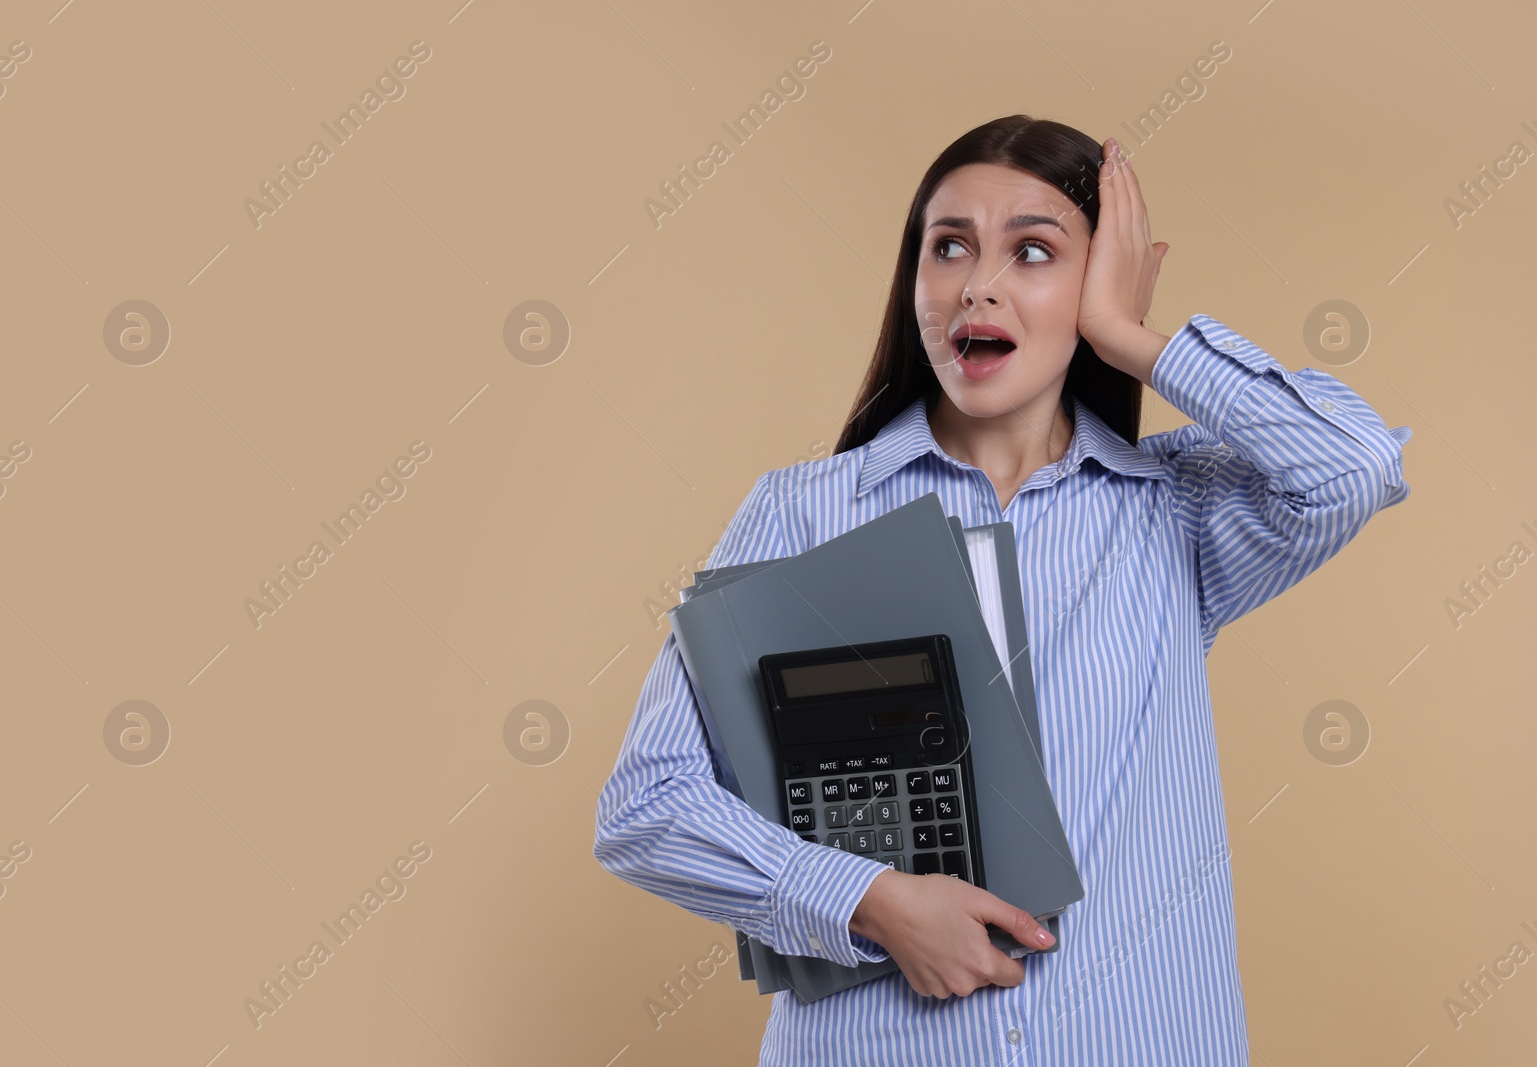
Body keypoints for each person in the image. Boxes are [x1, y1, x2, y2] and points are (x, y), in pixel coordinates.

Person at [593, 114, 1411, 1065]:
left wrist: (1130, 337)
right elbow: (648, 803)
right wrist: (869, 901)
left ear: (1099, 275)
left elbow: (1354, 465)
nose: (977, 284)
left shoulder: (1177, 513)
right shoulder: (801, 514)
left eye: (1034, 251)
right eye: (949, 248)